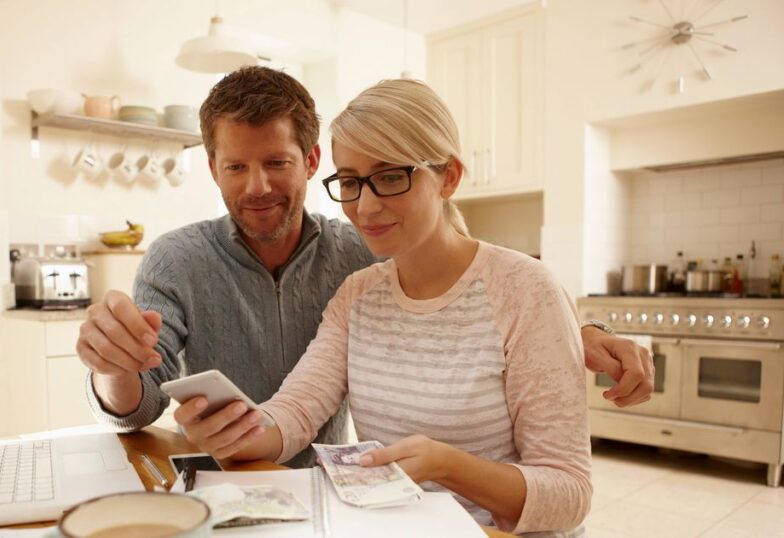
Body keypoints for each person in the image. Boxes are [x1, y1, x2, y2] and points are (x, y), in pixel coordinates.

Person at [77, 66, 652, 468]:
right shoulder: (181, 260)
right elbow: (139, 408)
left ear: (309, 162)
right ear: (213, 169)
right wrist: (111, 365)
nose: (257, 187)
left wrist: (570, 335)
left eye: (277, 162)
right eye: (235, 168)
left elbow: (469, 276)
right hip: (239, 473)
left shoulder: (363, 249)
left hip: (342, 487)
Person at [175, 79, 590, 536]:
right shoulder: (358, 294)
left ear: (448, 176)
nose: (366, 207)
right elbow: (296, 410)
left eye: (391, 176)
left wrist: (447, 467)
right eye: (350, 182)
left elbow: (569, 494)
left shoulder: (525, 290)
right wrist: (237, 431)